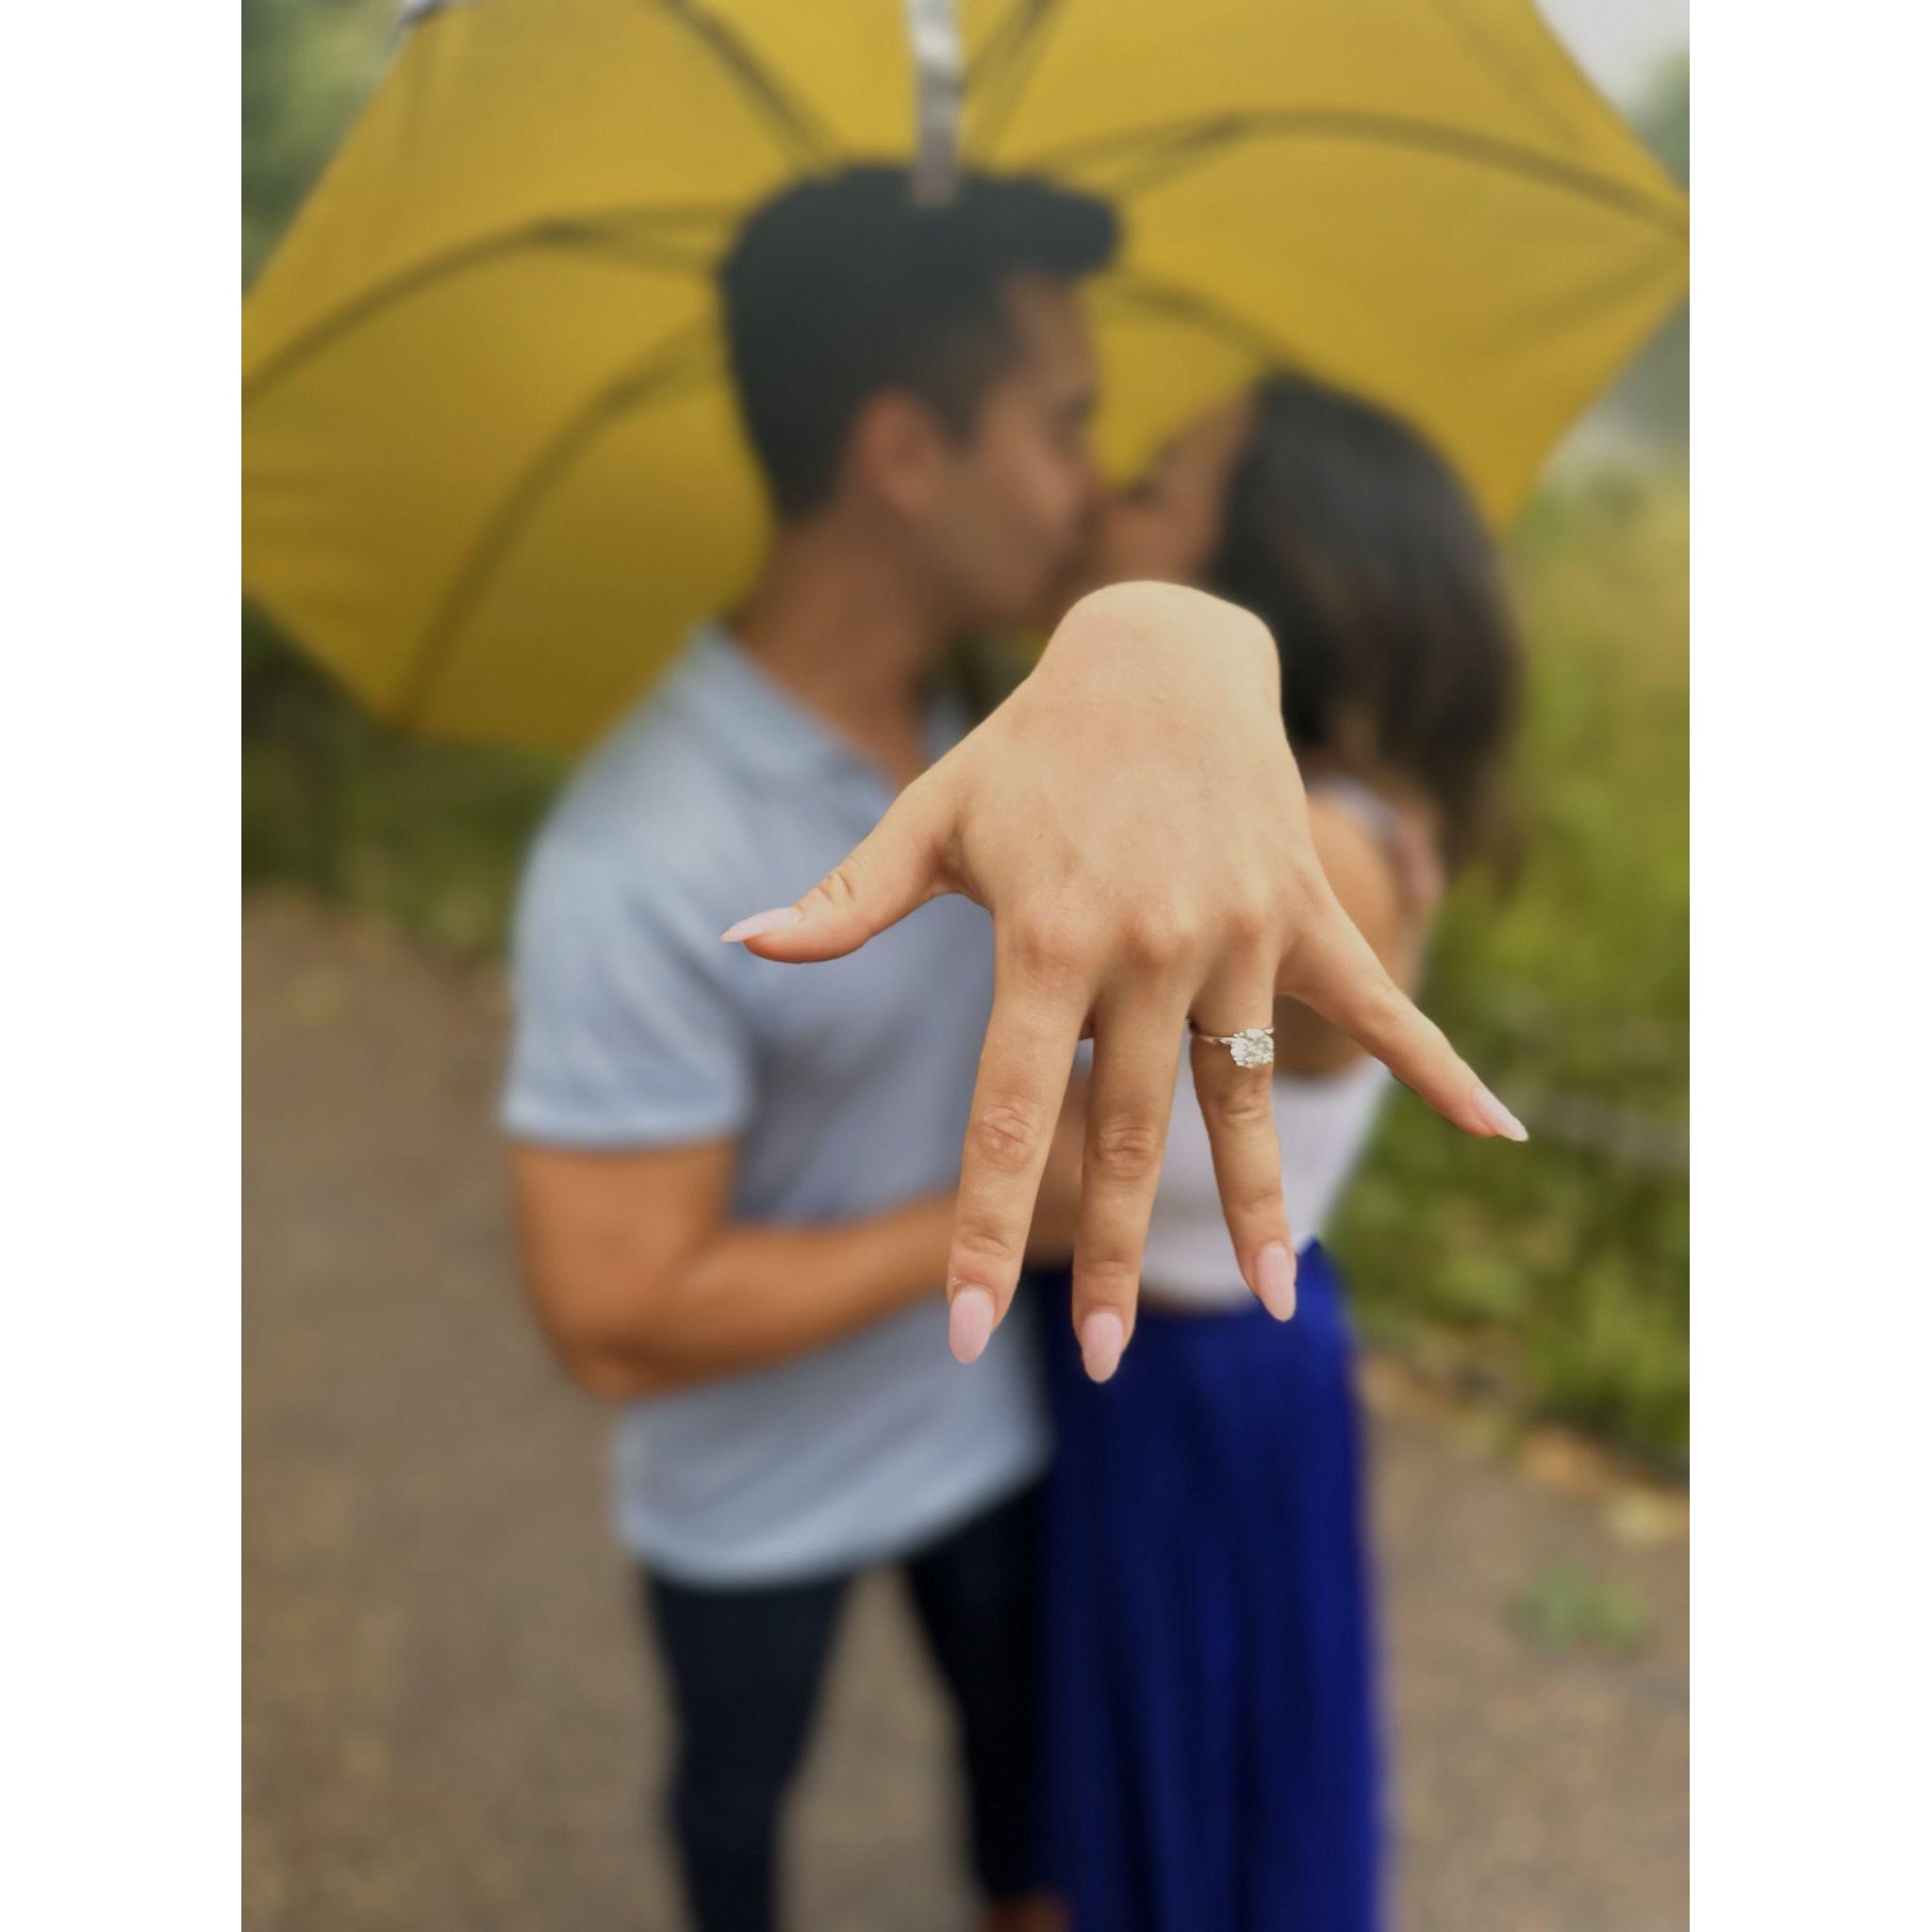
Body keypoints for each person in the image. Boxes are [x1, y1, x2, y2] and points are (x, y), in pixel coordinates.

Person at [503, 164, 1521, 1932]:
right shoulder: (649, 850)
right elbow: (607, 1306)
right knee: (755, 1816)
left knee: (1095, 1824)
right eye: (1074, 434)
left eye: (1140, 471)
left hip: (1040, 1424)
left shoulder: (1087, 754)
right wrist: (1029, 1218)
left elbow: (1260, 846)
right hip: (860, 1450)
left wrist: (1168, 634)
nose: (1088, 499)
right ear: (907, 456)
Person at [1037, 373, 1525, 1932]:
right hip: (1164, 1366)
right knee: (1162, 1779)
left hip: (1196, 1388)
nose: (1114, 505)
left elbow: (1059, 1183)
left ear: (1274, 573)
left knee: (1205, 1795)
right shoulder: (1281, 810)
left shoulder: (1313, 848)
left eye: (1161, 485)